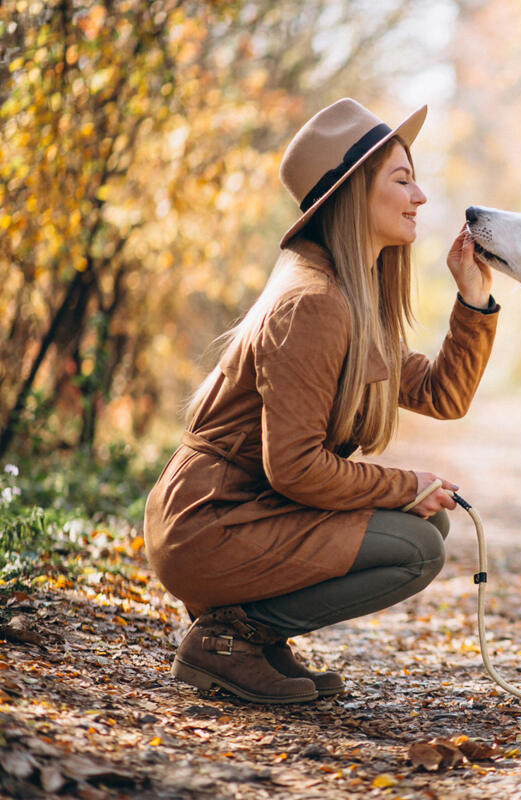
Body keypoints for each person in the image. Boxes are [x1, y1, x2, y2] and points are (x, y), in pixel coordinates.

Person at [143, 98, 498, 704]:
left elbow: (443, 395)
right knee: (416, 546)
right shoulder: (314, 303)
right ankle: (231, 640)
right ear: (354, 193)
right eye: (403, 179)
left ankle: (256, 640)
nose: (421, 197)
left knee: (427, 521)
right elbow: (297, 467)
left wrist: (473, 300)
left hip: (245, 512)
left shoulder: (350, 299)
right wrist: (404, 482)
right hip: (212, 522)